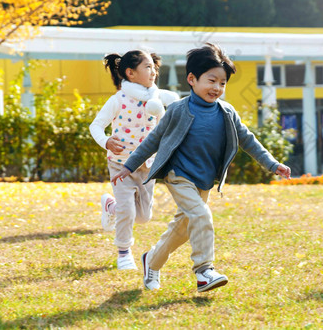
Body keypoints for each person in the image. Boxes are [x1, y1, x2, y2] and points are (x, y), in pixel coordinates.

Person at [112, 43, 291, 292]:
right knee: (201, 216)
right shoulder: (177, 110)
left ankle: (151, 261)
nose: (217, 88)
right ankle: (204, 271)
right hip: (179, 176)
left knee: (182, 229)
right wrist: (129, 166)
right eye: (211, 80)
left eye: (222, 83)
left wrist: (272, 164)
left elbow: (248, 141)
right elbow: (152, 140)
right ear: (192, 79)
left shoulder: (227, 112)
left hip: (204, 181)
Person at [89, 50, 167, 270]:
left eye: (154, 67)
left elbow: (163, 129)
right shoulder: (117, 100)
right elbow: (95, 126)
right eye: (148, 67)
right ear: (131, 73)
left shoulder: (156, 100)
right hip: (120, 164)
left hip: (147, 166)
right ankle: (124, 254)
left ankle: (110, 207)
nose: (154, 72)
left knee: (143, 216)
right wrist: (106, 141)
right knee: (128, 211)